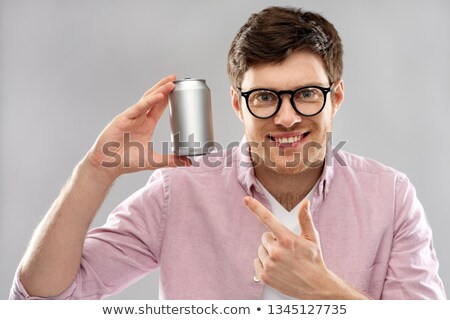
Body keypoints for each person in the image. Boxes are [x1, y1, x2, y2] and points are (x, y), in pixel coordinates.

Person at [10, 6, 446, 300]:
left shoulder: (389, 196)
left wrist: (325, 291)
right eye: (264, 98)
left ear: (336, 98)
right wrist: (94, 172)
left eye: (307, 94)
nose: (288, 118)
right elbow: (43, 299)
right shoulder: (177, 191)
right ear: (238, 104)